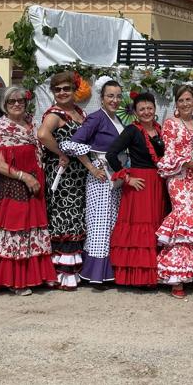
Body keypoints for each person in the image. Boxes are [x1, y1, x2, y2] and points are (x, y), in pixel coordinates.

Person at [0, 86, 57, 295]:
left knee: (33, 232)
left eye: (20, 101)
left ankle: (35, 277)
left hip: (35, 188)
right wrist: (26, 177)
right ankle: (15, 281)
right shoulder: (3, 128)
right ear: (4, 105)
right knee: (16, 232)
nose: (16, 104)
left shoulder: (32, 124)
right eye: (11, 101)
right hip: (16, 186)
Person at [60, 76, 124, 285]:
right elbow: (71, 143)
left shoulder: (117, 119)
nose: (114, 100)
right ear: (102, 98)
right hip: (100, 177)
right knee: (100, 224)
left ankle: (108, 270)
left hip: (114, 178)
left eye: (117, 96)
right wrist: (91, 166)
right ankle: (96, 272)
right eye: (110, 96)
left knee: (110, 223)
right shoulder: (97, 118)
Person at [156, 86, 193, 298]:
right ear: (176, 103)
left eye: (189, 99)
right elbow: (169, 156)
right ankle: (175, 280)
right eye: (181, 100)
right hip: (179, 177)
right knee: (183, 224)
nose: (186, 103)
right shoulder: (171, 123)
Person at [105, 92, 166, 287]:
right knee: (141, 228)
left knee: (155, 225)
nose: (146, 112)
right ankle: (138, 278)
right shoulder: (132, 130)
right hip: (140, 185)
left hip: (158, 183)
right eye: (142, 109)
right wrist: (126, 177)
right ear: (136, 113)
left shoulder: (160, 129)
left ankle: (156, 274)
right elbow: (111, 154)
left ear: (155, 109)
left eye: (150, 108)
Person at [37, 71, 88, 290]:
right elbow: (42, 135)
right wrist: (60, 153)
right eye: (57, 89)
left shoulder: (78, 111)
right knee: (64, 216)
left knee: (77, 215)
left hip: (78, 173)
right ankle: (61, 273)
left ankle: (74, 271)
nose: (62, 93)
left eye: (66, 88)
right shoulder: (54, 114)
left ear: (74, 90)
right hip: (62, 173)